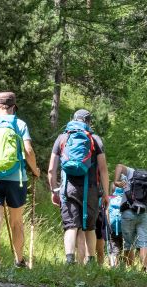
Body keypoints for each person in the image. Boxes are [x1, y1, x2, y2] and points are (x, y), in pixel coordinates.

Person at [0, 92, 41, 268]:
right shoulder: (19, 124)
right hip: (16, 179)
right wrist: (35, 170)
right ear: (14, 107)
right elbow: (28, 151)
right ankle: (19, 260)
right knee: (16, 222)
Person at [48, 109, 110, 264]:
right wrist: (106, 193)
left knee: (71, 226)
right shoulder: (95, 139)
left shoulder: (62, 138)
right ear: (89, 122)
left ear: (73, 119)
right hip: (91, 190)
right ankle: (91, 262)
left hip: (68, 188)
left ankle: (70, 260)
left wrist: (54, 190)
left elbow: (51, 170)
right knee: (90, 227)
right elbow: (103, 169)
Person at [114, 164, 147, 271]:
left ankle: (130, 270)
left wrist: (116, 181)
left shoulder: (131, 172)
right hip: (144, 214)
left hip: (128, 212)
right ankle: (145, 269)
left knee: (129, 244)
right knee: (144, 243)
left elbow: (119, 166)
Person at [106, 185, 125, 267]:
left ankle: (113, 265)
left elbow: (106, 212)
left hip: (112, 226)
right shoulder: (125, 199)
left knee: (113, 246)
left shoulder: (110, 198)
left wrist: (107, 224)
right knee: (121, 246)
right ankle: (119, 265)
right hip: (123, 226)